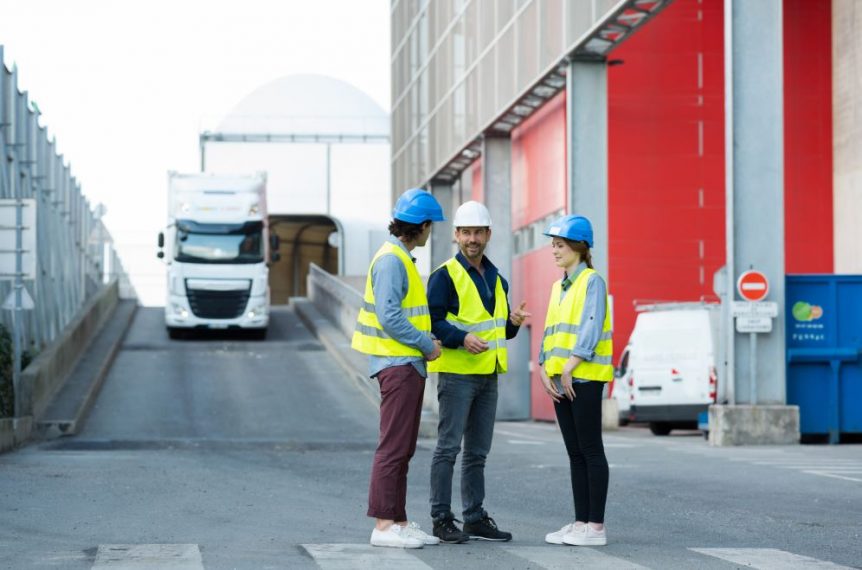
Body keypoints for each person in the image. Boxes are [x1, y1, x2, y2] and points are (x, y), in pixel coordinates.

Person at [426, 200, 530, 543]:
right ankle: (442, 517)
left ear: (488, 234)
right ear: (456, 235)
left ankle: (473, 516)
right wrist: (461, 338)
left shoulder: (498, 279)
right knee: (448, 448)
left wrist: (512, 324)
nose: (472, 238)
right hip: (457, 376)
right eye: (466, 232)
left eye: (478, 232)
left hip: (488, 376)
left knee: (477, 453)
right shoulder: (444, 276)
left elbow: (498, 332)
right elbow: (434, 322)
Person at [350, 188, 445, 549]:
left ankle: (399, 521)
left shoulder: (399, 257)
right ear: (420, 226)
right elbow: (390, 316)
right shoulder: (392, 260)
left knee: (402, 447)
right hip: (398, 363)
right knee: (393, 447)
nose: (430, 231)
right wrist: (426, 343)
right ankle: (384, 526)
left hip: (404, 363)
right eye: (430, 225)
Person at [538, 214, 613, 547]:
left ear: (579, 247)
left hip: (583, 376)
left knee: (591, 450)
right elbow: (551, 328)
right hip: (560, 378)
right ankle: (580, 522)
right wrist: (544, 365)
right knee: (574, 453)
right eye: (553, 245)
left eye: (560, 245)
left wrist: (570, 364)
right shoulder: (558, 286)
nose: (554, 250)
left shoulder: (592, 281)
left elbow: (591, 325)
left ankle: (595, 527)